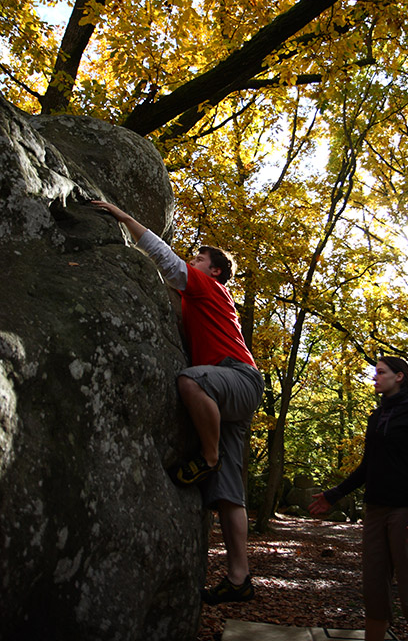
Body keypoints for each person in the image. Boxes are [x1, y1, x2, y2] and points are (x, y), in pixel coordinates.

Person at [91, 200, 264, 605]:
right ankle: (239, 578)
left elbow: (167, 263)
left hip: (235, 379)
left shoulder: (211, 288)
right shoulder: (197, 299)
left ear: (215, 270)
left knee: (189, 381)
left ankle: (207, 458)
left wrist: (123, 216)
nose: (193, 260)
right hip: (229, 392)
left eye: (200, 258)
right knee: (228, 493)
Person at [309, 356, 408, 641]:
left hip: (405, 512)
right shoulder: (376, 417)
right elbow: (368, 466)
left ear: (399, 376)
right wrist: (334, 494)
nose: (374, 378)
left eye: (381, 372)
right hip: (375, 511)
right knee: (374, 592)